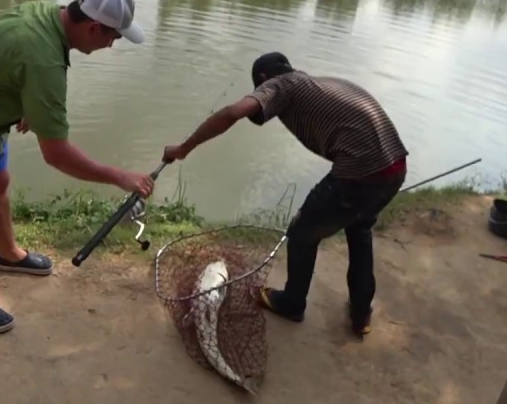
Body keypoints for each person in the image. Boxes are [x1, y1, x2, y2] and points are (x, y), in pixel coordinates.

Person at [0, 0, 156, 334]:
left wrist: (26, 99)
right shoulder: (43, 60)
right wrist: (119, 176)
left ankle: (9, 254)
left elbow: (5, 54)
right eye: (113, 37)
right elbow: (56, 154)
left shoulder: (45, 13)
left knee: (0, 184)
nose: (111, 45)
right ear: (93, 28)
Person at [162, 52, 407, 338]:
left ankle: (292, 303)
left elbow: (231, 113)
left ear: (264, 79)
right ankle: (361, 313)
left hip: (360, 173)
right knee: (359, 227)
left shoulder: (280, 85)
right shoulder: (311, 82)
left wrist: (184, 148)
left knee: (303, 233)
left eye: (258, 88)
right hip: (395, 166)